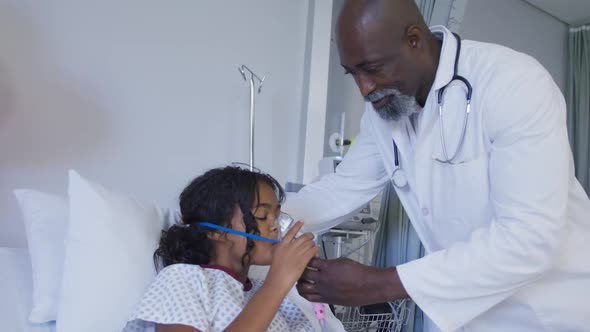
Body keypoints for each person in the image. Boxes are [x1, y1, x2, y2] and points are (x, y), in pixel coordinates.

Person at [284, 0, 590, 331]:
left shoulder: (513, 83)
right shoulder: (383, 113)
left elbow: (529, 238)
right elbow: (341, 188)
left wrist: (380, 284)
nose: (364, 88)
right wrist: (261, 222)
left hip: (555, 313)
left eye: (372, 68)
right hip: (478, 317)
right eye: (353, 73)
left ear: (414, 39)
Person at [123, 166, 343, 332]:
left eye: (277, 216)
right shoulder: (183, 280)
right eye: (262, 216)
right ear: (216, 231)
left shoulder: (273, 297)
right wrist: (277, 283)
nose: (276, 226)